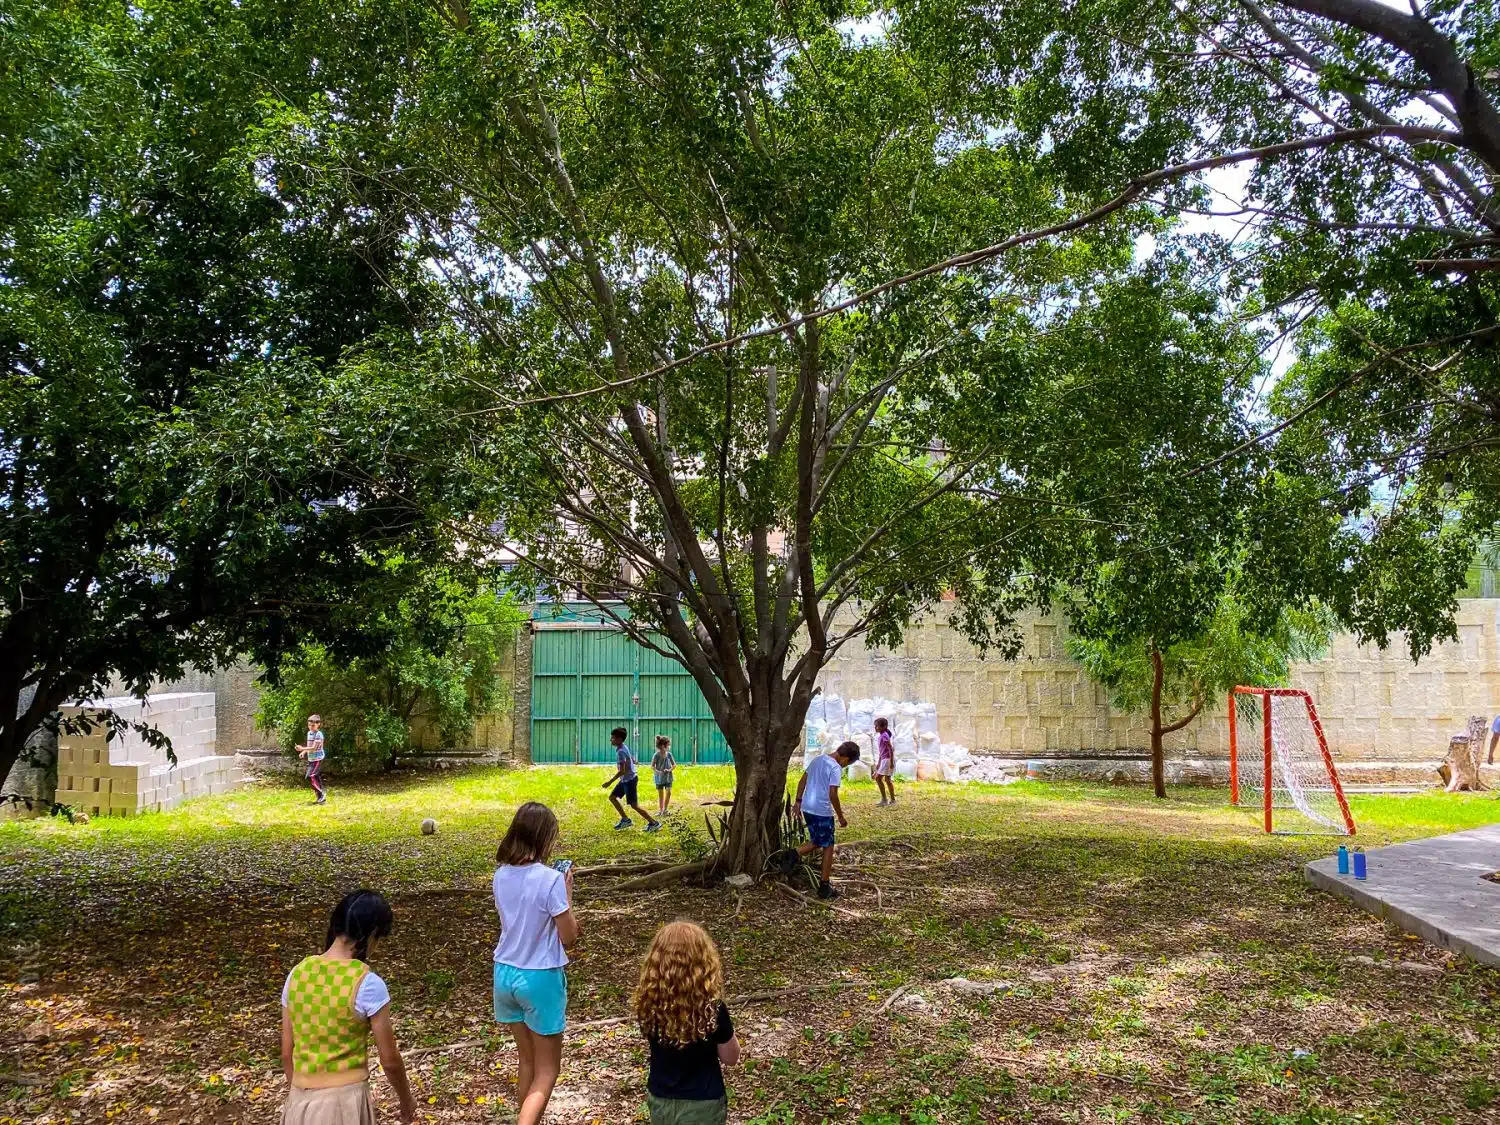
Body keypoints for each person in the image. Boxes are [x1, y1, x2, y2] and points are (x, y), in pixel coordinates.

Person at [280, 889, 417, 1125]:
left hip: (298, 1103)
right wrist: (406, 1100)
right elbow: (390, 1060)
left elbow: (286, 1052)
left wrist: (300, 1096)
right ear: (372, 934)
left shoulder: (297, 974)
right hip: (344, 1105)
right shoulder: (367, 983)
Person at [492, 802, 580, 1125]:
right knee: (548, 1070)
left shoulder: (500, 876)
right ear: (544, 839)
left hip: (504, 973)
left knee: (526, 1061)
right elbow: (568, 936)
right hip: (539, 977)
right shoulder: (550, 880)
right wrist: (567, 896)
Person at [632, 921, 742, 1125]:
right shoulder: (713, 1009)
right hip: (703, 1103)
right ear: (703, 963)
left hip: (661, 1099)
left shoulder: (649, 1005)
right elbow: (731, 1057)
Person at [793, 740, 859, 900]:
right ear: (845, 759)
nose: (845, 767)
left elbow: (802, 780)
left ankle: (822, 882)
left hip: (807, 807)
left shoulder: (818, 759)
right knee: (827, 844)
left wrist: (798, 801)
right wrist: (841, 816)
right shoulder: (835, 768)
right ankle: (822, 883)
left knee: (820, 840)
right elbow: (833, 794)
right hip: (822, 810)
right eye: (847, 764)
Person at [602, 727, 660, 833]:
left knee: (634, 805)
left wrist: (609, 782)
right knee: (612, 797)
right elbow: (631, 758)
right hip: (626, 779)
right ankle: (625, 820)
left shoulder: (620, 751)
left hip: (629, 780)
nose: (611, 740)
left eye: (613, 738)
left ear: (619, 739)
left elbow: (622, 771)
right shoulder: (623, 747)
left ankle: (654, 823)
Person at [297, 714, 327, 805]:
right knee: (316, 777)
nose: (311, 727)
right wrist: (303, 752)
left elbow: (314, 748)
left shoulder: (319, 734)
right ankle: (320, 798)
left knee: (310, 776)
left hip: (317, 758)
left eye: (313, 725)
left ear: (318, 724)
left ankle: (322, 794)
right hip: (311, 758)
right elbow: (309, 746)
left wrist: (302, 748)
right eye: (309, 725)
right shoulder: (309, 733)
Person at [872, 716, 896, 807]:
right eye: (875, 726)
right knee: (887, 780)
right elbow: (881, 751)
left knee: (879, 778)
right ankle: (890, 800)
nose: (875, 728)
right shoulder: (881, 736)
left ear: (884, 726)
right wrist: (879, 763)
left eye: (877, 726)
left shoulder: (884, 735)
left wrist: (892, 762)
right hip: (884, 760)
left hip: (887, 760)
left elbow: (890, 748)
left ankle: (885, 799)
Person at [652, 735, 677, 818]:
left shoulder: (669, 754)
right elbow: (652, 766)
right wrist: (657, 772)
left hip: (668, 777)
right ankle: (661, 810)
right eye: (668, 745)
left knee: (668, 793)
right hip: (659, 778)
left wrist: (669, 770)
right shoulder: (656, 755)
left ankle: (665, 810)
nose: (669, 746)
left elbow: (674, 765)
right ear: (663, 746)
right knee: (661, 795)